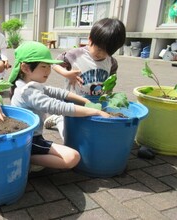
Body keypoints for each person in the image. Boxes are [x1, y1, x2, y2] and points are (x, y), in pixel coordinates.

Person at [8, 41, 110, 170]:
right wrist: (95, 112)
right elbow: (57, 106)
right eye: (43, 66)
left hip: (31, 137)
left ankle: (30, 157)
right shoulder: (27, 91)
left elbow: (57, 92)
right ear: (25, 68)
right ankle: (23, 157)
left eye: (49, 66)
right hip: (29, 141)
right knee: (72, 158)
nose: (48, 71)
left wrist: (86, 101)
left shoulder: (27, 84)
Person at [45, 18, 126, 139]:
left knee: (91, 132)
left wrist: (109, 96)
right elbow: (54, 64)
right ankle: (59, 119)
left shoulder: (111, 62)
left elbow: (111, 82)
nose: (101, 54)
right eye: (99, 49)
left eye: (107, 52)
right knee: (70, 136)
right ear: (90, 40)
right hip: (74, 100)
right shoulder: (75, 55)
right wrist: (67, 74)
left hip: (95, 102)